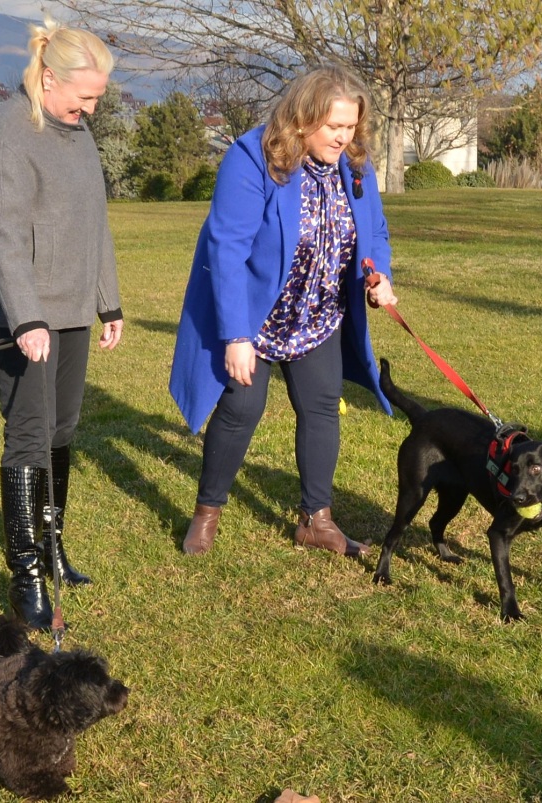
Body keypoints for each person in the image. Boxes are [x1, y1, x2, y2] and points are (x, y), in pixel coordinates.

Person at [170, 66, 397, 558]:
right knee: (240, 409)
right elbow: (226, 249)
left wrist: (380, 276)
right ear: (301, 119)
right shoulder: (253, 158)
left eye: (351, 126)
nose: (345, 136)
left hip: (319, 313)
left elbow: (374, 229)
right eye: (334, 126)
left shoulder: (355, 165)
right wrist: (235, 336)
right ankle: (207, 513)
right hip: (257, 315)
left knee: (320, 408)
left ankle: (317, 520)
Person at [0, 18, 123, 629]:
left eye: (99, 98)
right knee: (29, 434)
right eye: (85, 96)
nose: (91, 108)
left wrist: (106, 301)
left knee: (62, 429)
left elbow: (95, 222)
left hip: (69, 308)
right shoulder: (6, 132)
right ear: (49, 76)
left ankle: (54, 546)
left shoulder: (76, 132)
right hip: (20, 311)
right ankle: (26, 574)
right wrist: (26, 318)